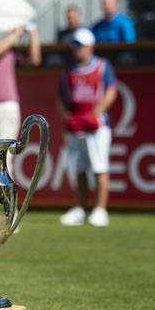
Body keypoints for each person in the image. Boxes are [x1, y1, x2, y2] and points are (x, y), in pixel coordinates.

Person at [56, 28, 118, 227]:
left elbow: (111, 91)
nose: (77, 49)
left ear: (90, 47)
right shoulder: (68, 70)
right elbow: (61, 97)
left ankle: (100, 210)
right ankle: (80, 208)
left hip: (96, 126)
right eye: (75, 45)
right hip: (76, 128)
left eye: (81, 45)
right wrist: (69, 117)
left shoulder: (102, 66)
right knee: (79, 169)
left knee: (100, 167)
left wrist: (95, 113)